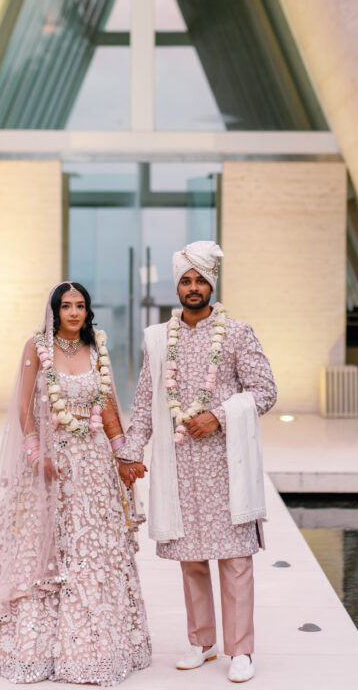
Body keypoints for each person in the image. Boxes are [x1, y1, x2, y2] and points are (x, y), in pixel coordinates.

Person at [0, 281, 151, 685]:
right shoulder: (36, 347)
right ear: (54, 311)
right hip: (49, 467)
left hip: (93, 469)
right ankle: (34, 647)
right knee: (45, 546)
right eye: (66, 306)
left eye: (80, 306)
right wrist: (36, 453)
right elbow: (23, 408)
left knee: (91, 550)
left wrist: (124, 455)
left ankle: (94, 646)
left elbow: (108, 408)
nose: (73, 313)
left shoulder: (98, 349)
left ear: (88, 310)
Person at [117, 241, 277, 685]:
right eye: (186, 281)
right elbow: (147, 403)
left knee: (234, 558)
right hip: (179, 466)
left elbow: (265, 390)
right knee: (191, 559)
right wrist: (129, 452)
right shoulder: (158, 339)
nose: (193, 287)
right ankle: (202, 643)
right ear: (177, 287)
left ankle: (240, 649)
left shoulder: (238, 333)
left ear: (212, 284)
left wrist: (220, 417)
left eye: (200, 280)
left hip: (226, 465)